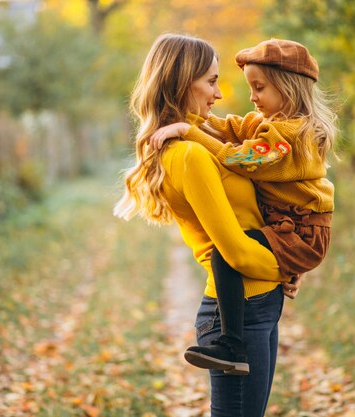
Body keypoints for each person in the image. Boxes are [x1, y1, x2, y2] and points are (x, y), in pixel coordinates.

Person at [114, 34, 301, 417]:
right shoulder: (189, 155)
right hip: (240, 310)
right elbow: (231, 248)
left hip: (259, 302)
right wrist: (287, 266)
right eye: (211, 81)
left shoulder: (200, 139)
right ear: (183, 82)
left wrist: (282, 266)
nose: (218, 94)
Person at [149, 38, 338, 375]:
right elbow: (231, 128)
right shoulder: (267, 124)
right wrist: (190, 123)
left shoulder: (289, 136)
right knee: (226, 253)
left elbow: (243, 157)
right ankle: (231, 343)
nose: (251, 96)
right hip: (285, 232)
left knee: (227, 254)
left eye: (259, 87)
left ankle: (231, 344)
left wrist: (188, 130)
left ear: (288, 89)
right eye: (211, 82)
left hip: (302, 230)